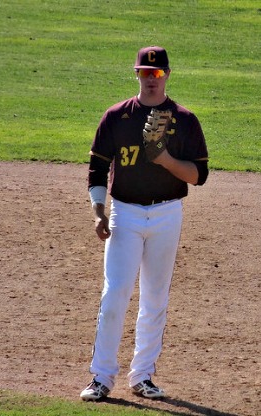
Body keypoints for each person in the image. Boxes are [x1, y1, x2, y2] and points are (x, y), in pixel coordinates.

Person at [80, 46, 209, 401]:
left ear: (168, 74)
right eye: (145, 72)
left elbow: (199, 176)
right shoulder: (116, 117)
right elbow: (97, 168)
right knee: (115, 293)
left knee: (155, 298)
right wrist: (98, 210)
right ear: (136, 74)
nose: (151, 79)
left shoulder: (185, 120)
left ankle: (142, 376)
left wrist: (164, 158)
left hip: (167, 214)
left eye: (157, 73)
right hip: (125, 214)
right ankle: (101, 377)